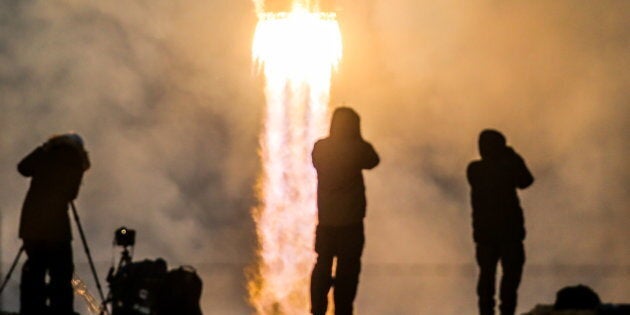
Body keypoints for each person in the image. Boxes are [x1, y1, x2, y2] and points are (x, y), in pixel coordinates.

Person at [310, 107, 380, 315]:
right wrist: (356, 138)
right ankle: (342, 310)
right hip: (351, 223)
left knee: (322, 264)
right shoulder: (356, 149)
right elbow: (373, 160)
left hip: (326, 221)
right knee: (348, 270)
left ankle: (318, 308)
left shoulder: (321, 147)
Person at [18, 133, 90, 315]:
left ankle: (32, 308)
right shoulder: (75, 159)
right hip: (56, 226)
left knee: (35, 268)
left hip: (31, 223)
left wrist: (42, 149)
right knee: (61, 271)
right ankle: (61, 309)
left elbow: (23, 168)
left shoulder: (45, 153)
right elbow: (71, 194)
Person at [467, 129, 534, 315]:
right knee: (506, 278)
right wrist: (513, 156)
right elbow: (526, 180)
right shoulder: (482, 169)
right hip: (506, 234)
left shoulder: (475, 169)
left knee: (490, 277)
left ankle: (489, 312)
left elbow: (525, 181)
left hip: (489, 235)